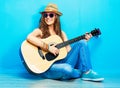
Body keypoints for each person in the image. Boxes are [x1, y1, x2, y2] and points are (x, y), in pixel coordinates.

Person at [26, 3, 104, 82]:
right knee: (66, 69)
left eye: (51, 15)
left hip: (63, 63)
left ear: (56, 17)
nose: (48, 17)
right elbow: (29, 37)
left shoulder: (61, 33)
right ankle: (73, 73)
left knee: (82, 43)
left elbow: (69, 52)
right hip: (47, 67)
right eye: (45, 15)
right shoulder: (40, 31)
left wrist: (84, 40)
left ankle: (87, 72)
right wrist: (48, 48)